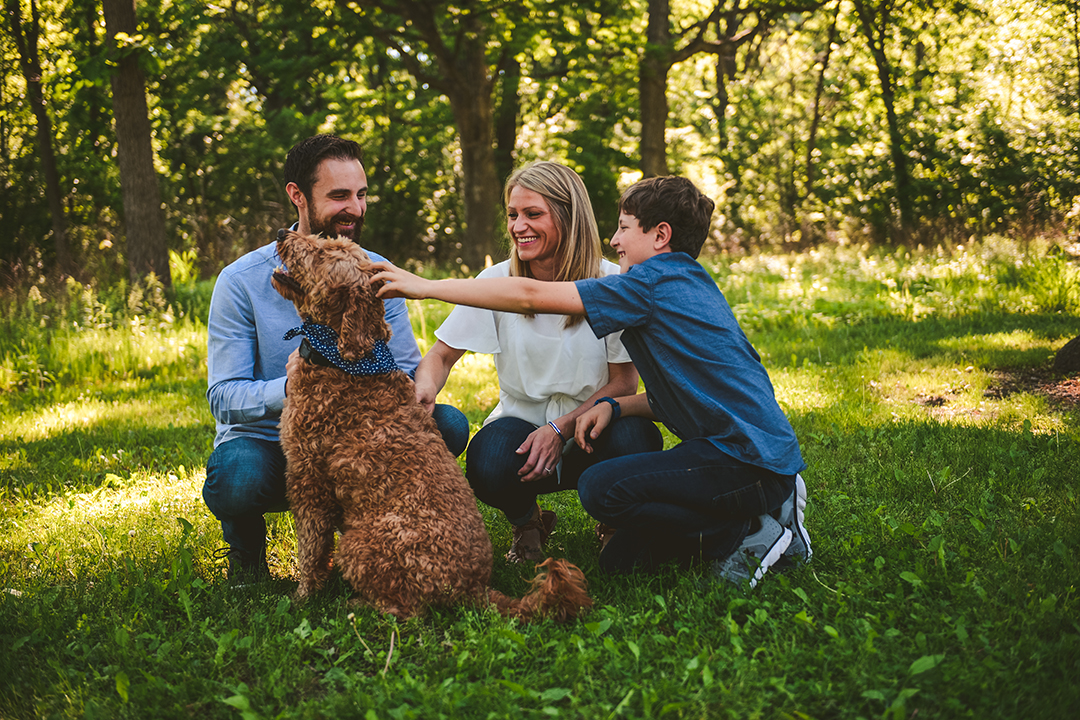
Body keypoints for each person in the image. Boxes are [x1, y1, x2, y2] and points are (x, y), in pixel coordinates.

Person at [371, 175, 812, 586]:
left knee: (601, 489)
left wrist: (424, 285)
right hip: (728, 449)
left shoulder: (640, 286)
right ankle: (732, 521)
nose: (615, 239)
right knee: (622, 562)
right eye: (512, 215)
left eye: (624, 228)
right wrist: (616, 405)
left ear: (660, 236)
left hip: (748, 457)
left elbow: (528, 296)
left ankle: (750, 530)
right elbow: (671, 396)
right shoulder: (674, 285)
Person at [203, 134, 469, 580]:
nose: (355, 208)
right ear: (298, 196)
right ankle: (247, 554)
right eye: (340, 195)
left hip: (356, 439)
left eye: (361, 195)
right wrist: (290, 387)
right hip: (270, 442)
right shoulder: (240, 281)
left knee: (448, 425)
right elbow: (223, 397)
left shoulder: (375, 271)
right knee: (237, 476)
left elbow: (403, 370)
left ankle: (376, 541)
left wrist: (416, 387)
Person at [412, 161, 663, 563]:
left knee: (637, 438)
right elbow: (441, 355)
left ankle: (613, 519)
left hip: (593, 426)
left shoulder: (614, 283)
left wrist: (559, 430)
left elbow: (623, 385)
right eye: (513, 215)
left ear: (568, 216)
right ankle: (529, 521)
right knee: (489, 460)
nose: (518, 226)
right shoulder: (494, 281)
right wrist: (426, 386)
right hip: (522, 428)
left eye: (533, 214)